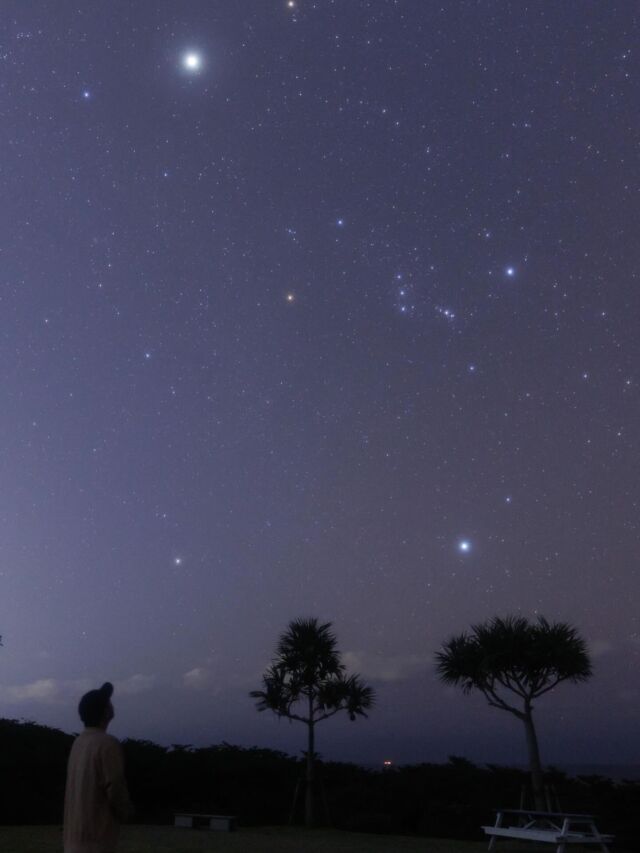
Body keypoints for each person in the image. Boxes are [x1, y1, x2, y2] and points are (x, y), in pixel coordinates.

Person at [63, 682, 133, 853]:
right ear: (105, 711)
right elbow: (115, 786)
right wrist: (127, 812)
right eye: (108, 701)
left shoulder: (78, 743)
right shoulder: (108, 744)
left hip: (73, 842)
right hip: (96, 843)